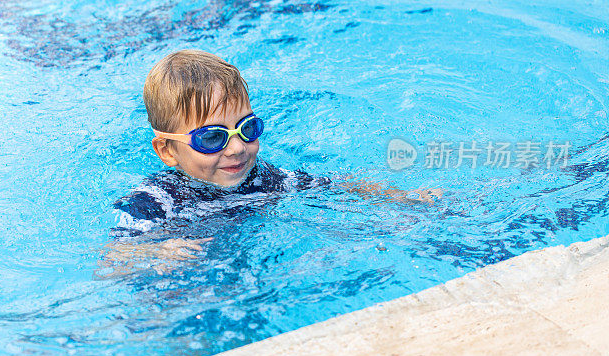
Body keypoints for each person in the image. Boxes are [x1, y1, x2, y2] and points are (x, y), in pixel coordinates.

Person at [102, 49, 440, 274]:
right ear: (167, 150)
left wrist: (399, 197)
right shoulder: (155, 201)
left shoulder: (263, 178)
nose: (236, 149)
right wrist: (154, 254)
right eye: (212, 137)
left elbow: (335, 185)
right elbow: (111, 260)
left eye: (247, 129)